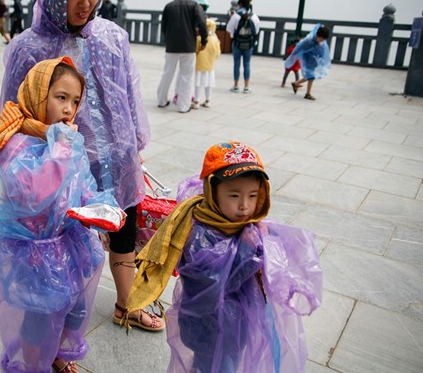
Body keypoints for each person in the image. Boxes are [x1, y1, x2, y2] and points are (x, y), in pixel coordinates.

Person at [0, 0, 159, 337]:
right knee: (66, 242)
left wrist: (135, 142)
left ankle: (126, 302)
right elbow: (13, 111)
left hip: (116, 154)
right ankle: (57, 326)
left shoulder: (112, 36)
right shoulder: (29, 47)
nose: (86, 3)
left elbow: (130, 94)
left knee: (123, 224)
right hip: (62, 163)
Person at [0, 56, 124, 373]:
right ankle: (33, 363)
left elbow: (83, 183)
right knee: (39, 319)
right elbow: (37, 195)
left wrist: (100, 205)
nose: (69, 109)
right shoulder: (17, 145)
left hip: (69, 244)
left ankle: (57, 353)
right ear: (40, 95)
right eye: (61, 98)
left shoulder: (65, 139)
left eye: (75, 101)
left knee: (73, 309)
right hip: (35, 254)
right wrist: (61, 149)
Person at [124, 141, 323, 373]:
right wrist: (250, 250)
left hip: (235, 326)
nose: (244, 206)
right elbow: (212, 283)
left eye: (252, 196)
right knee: (216, 367)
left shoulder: (239, 225)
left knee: (226, 363)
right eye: (234, 195)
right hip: (209, 328)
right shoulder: (201, 232)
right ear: (212, 191)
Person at [156, 0, 207, 113]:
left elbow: (164, 27)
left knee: (167, 73)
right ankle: (183, 106)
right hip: (188, 46)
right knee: (187, 76)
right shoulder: (194, 5)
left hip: (172, 46)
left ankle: (161, 101)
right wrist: (204, 40)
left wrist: (167, 41)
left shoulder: (169, 6)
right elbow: (202, 22)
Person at [285, 24, 331, 101]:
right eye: (321, 39)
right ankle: (307, 93)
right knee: (311, 75)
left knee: (312, 75)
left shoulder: (318, 41)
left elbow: (321, 49)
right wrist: (292, 57)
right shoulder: (308, 40)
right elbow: (299, 47)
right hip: (308, 59)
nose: (322, 41)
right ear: (318, 35)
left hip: (314, 59)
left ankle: (297, 84)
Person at [226, 0, 260, 94]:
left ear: (240, 4)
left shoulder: (236, 16)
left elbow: (229, 29)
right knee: (247, 64)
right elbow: (256, 31)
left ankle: (236, 86)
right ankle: (246, 86)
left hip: (237, 43)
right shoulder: (254, 16)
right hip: (249, 44)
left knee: (236, 64)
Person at [192, 18, 220, 109]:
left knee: (198, 83)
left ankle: (196, 101)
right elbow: (217, 54)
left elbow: (195, 51)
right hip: (210, 66)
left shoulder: (199, 38)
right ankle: (208, 100)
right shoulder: (215, 40)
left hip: (199, 65)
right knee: (209, 83)